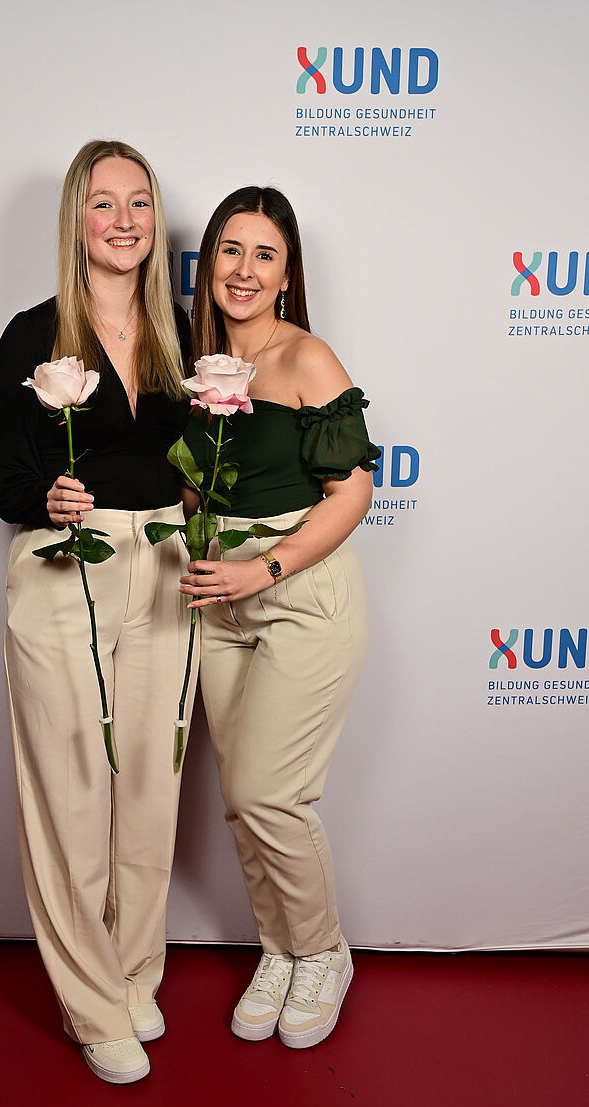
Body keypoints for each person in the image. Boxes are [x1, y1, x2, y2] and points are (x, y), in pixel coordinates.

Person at [0, 141, 194, 1085]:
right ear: (76, 219)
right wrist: (48, 497)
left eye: (139, 202)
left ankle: (133, 971)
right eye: (103, 202)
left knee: (149, 784)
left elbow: (190, 457)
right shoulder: (33, 334)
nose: (123, 220)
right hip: (66, 564)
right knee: (72, 790)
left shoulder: (178, 334)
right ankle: (91, 1003)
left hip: (165, 564)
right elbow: (0, 472)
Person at [179, 186, 379, 1048]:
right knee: (242, 800)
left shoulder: (307, 359)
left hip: (297, 596)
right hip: (219, 602)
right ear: (208, 264)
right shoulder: (197, 366)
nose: (244, 270)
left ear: (288, 273)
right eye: (231, 250)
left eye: (264, 254)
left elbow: (353, 492)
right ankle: (282, 949)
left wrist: (261, 568)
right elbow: (194, 485)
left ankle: (324, 951)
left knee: (270, 791)